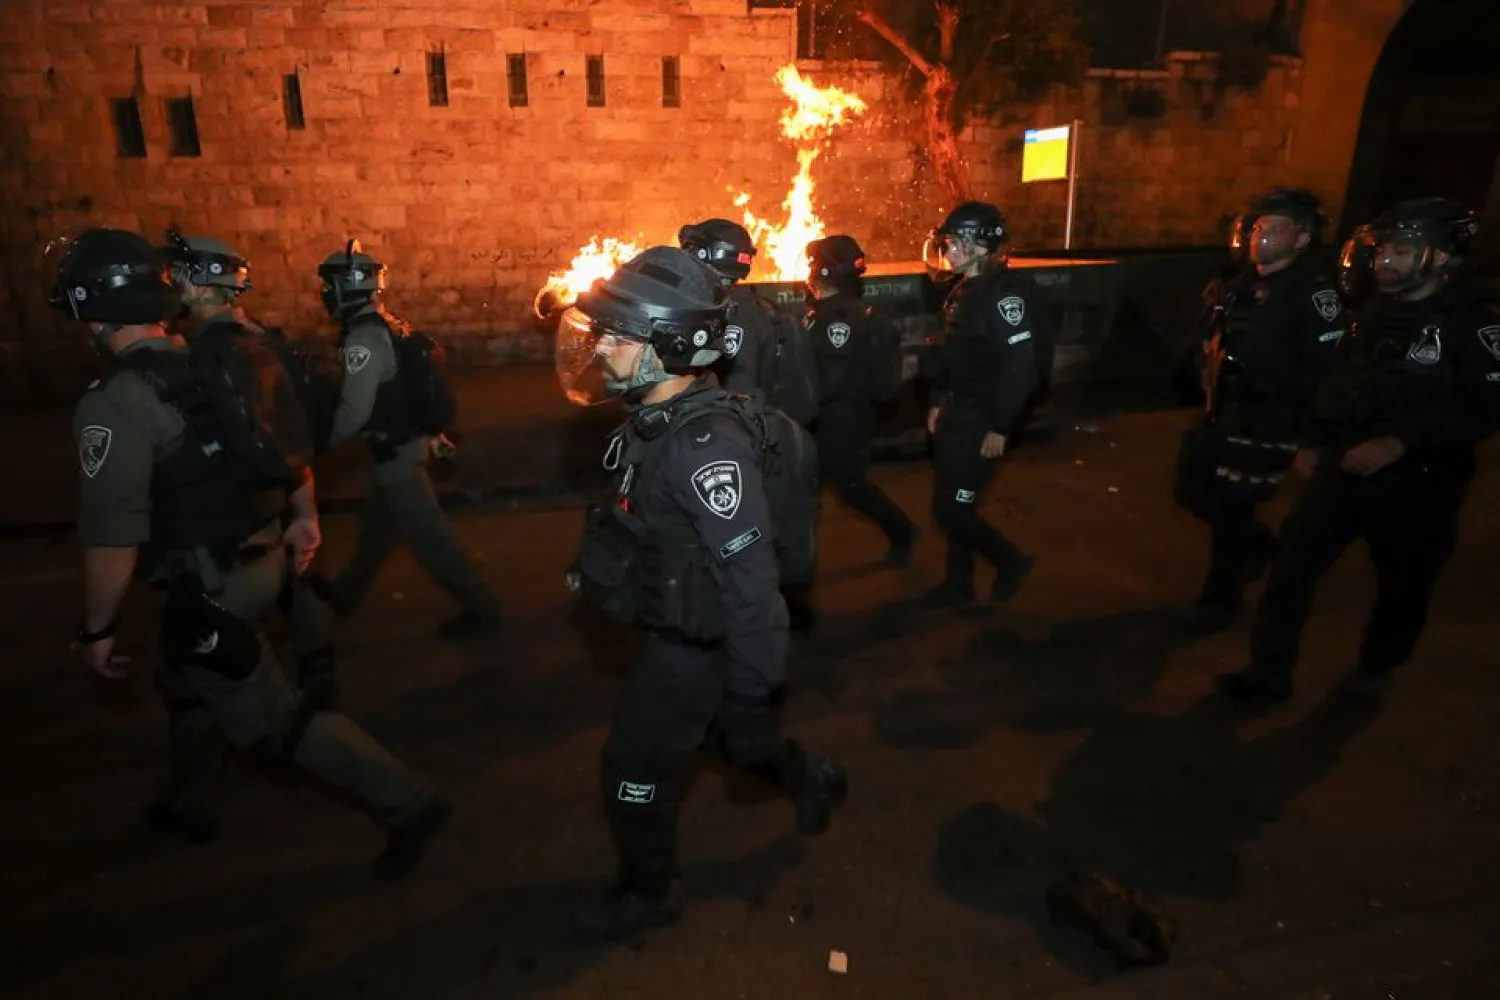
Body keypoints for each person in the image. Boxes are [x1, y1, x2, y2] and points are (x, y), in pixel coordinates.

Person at [53, 228, 449, 875]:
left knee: (276, 722)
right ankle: (189, 801)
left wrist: (96, 627)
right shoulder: (219, 357)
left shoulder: (116, 402)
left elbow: (113, 537)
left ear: (92, 313)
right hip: (263, 560)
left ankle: (410, 802)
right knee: (186, 685)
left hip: (210, 588)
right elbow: (289, 443)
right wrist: (303, 517)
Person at [556, 246, 848, 941]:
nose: (601, 345)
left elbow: (754, 594)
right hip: (681, 627)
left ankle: (647, 892)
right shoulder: (657, 415)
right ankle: (810, 776)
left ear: (671, 347)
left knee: (633, 772)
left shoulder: (706, 450)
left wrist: (753, 693)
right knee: (729, 743)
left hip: (695, 645)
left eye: (619, 334)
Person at [1217, 198, 1500, 705]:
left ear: (1440, 258)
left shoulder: (1472, 324)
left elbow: (1487, 406)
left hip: (1421, 481)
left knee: (1403, 584)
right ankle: (1269, 669)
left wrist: (1402, 443)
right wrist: (1314, 439)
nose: (1386, 259)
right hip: (1342, 468)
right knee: (1292, 570)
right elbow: (1339, 380)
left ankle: (1377, 666)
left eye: (1402, 249)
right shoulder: (1372, 313)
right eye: (1384, 248)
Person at [161, 229, 337, 707]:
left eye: (176, 274)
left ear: (199, 285)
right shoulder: (263, 341)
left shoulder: (197, 358)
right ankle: (319, 670)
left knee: (213, 679)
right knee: (292, 590)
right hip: (273, 509)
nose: (168, 283)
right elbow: (293, 440)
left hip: (232, 532)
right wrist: (306, 514)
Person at [307, 240, 500, 637]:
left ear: (346, 287)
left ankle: (480, 606)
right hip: (401, 448)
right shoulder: (390, 323)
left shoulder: (363, 338)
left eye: (330, 286)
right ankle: (347, 591)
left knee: (433, 539)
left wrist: (318, 446)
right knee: (377, 530)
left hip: (396, 455)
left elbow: (354, 411)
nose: (325, 294)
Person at [1175, 189, 1347, 631]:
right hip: (1225, 411)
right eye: (1257, 227)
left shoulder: (1312, 294)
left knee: (1233, 509)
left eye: (1274, 229)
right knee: (1190, 488)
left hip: (1271, 417)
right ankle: (1259, 546)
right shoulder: (1238, 285)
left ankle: (1220, 600)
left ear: (1303, 238)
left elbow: (1329, 369)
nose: (1261, 236)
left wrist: (1312, 437)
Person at [917, 201, 1046, 606]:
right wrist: (941, 400)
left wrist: (1001, 425)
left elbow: (1020, 366)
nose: (947, 250)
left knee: (953, 510)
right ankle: (959, 585)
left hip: (982, 418)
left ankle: (1011, 562)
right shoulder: (965, 288)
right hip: (959, 410)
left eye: (954, 242)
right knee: (952, 499)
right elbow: (957, 355)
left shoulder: (1002, 296)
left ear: (978, 246)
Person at [804, 233, 915, 565]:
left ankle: (902, 532)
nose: (808, 270)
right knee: (804, 488)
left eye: (813, 264)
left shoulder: (839, 319)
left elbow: (830, 378)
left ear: (826, 273)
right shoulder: (831, 312)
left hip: (840, 420)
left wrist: (796, 406)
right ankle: (796, 558)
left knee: (852, 487)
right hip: (830, 417)